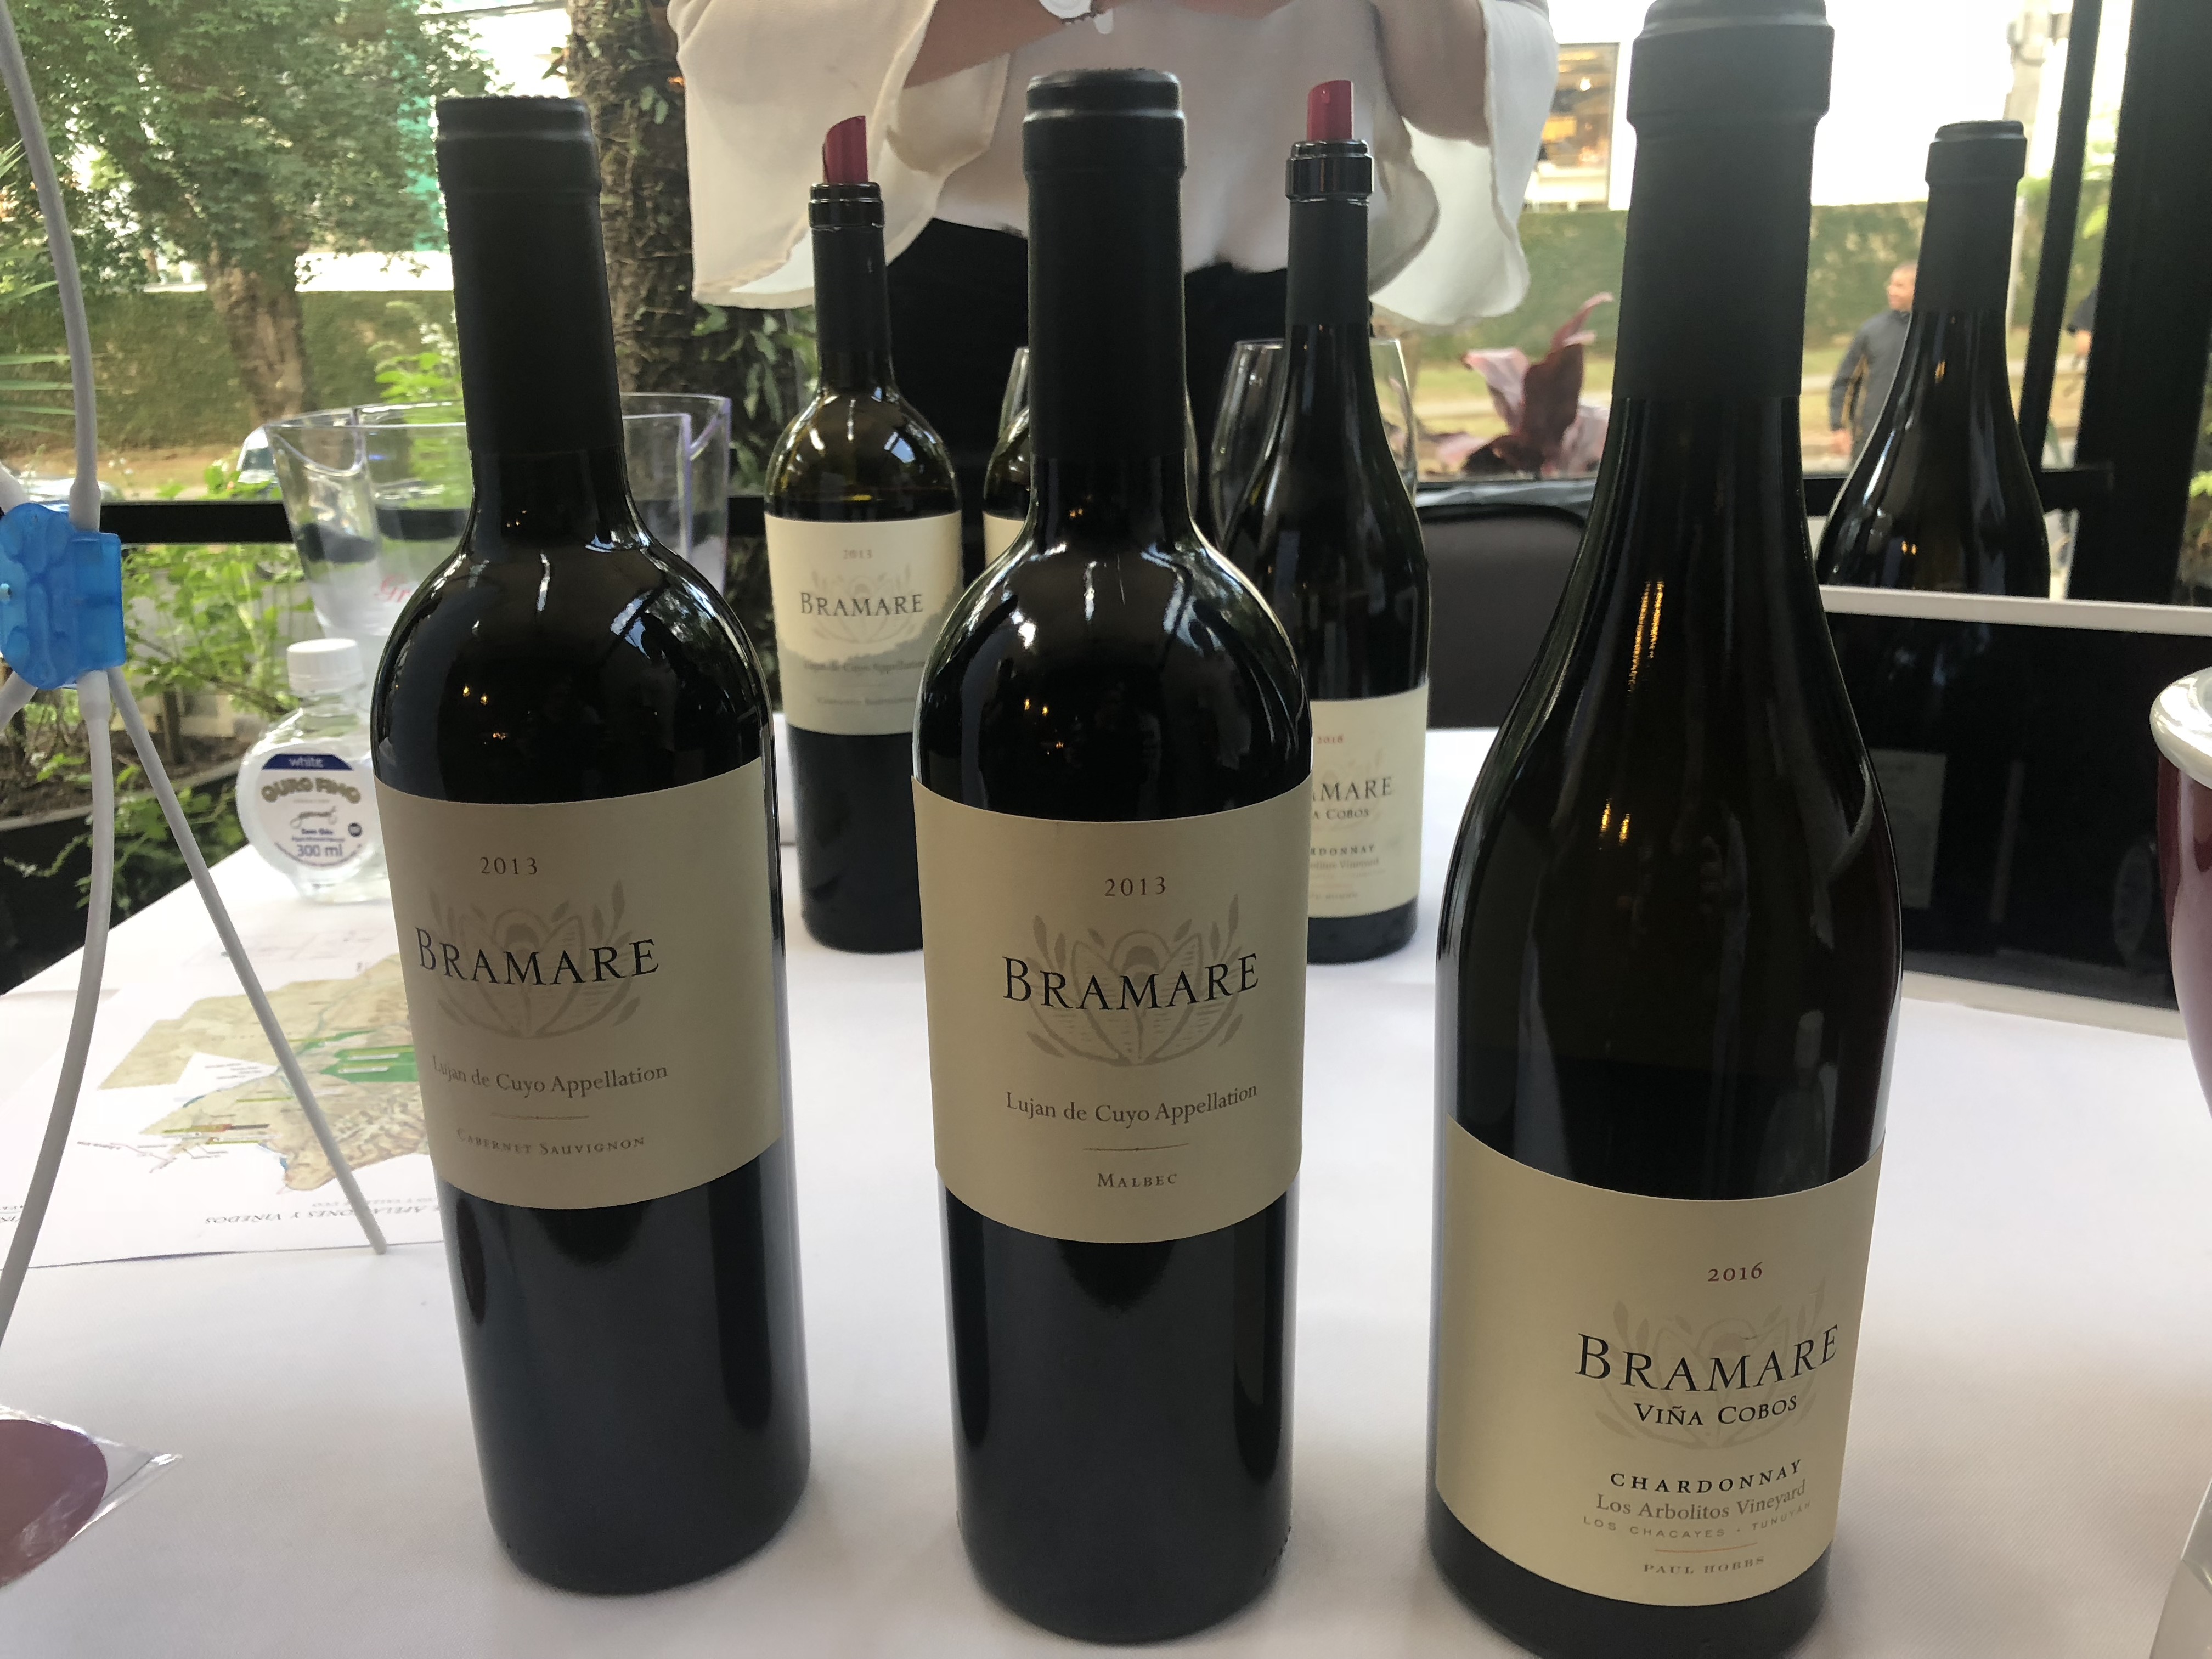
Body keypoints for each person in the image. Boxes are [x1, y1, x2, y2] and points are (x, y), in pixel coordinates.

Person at [670, 0, 1558, 554]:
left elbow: (1472, 96)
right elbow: (734, 37)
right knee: (976, 725)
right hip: (978, 326)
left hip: (1293, 325)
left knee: (1307, 711)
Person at [1828, 260, 1915, 461]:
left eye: (1900, 286)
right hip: (1870, 438)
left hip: (1916, 440)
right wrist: (1839, 427)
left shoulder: (1933, 334)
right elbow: (1845, 382)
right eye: (1891, 284)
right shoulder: (1872, 331)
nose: (1891, 290)